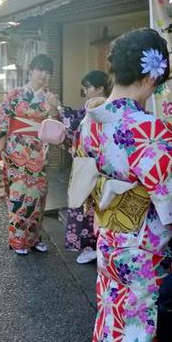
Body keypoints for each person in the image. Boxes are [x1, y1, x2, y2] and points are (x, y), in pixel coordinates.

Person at [75, 28, 172, 342]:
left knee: (113, 313)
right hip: (143, 246)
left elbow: (84, 181)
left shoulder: (90, 122)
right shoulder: (147, 128)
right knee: (140, 324)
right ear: (152, 77)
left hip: (109, 236)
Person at [0, 54, 60, 256]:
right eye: (40, 70)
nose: (44, 75)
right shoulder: (14, 95)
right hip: (16, 150)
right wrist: (1, 147)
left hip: (40, 150)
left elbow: (55, 124)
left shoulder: (50, 97)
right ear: (30, 70)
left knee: (37, 196)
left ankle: (35, 238)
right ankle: (17, 240)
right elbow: (3, 119)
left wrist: (54, 108)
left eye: (48, 72)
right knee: (19, 194)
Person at [60, 70, 112, 264]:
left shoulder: (97, 106)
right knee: (96, 204)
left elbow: (74, 126)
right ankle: (97, 245)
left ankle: (90, 246)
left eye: (88, 86)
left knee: (85, 204)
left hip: (89, 162)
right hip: (101, 162)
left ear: (100, 88)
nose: (85, 90)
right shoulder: (109, 105)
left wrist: (59, 110)